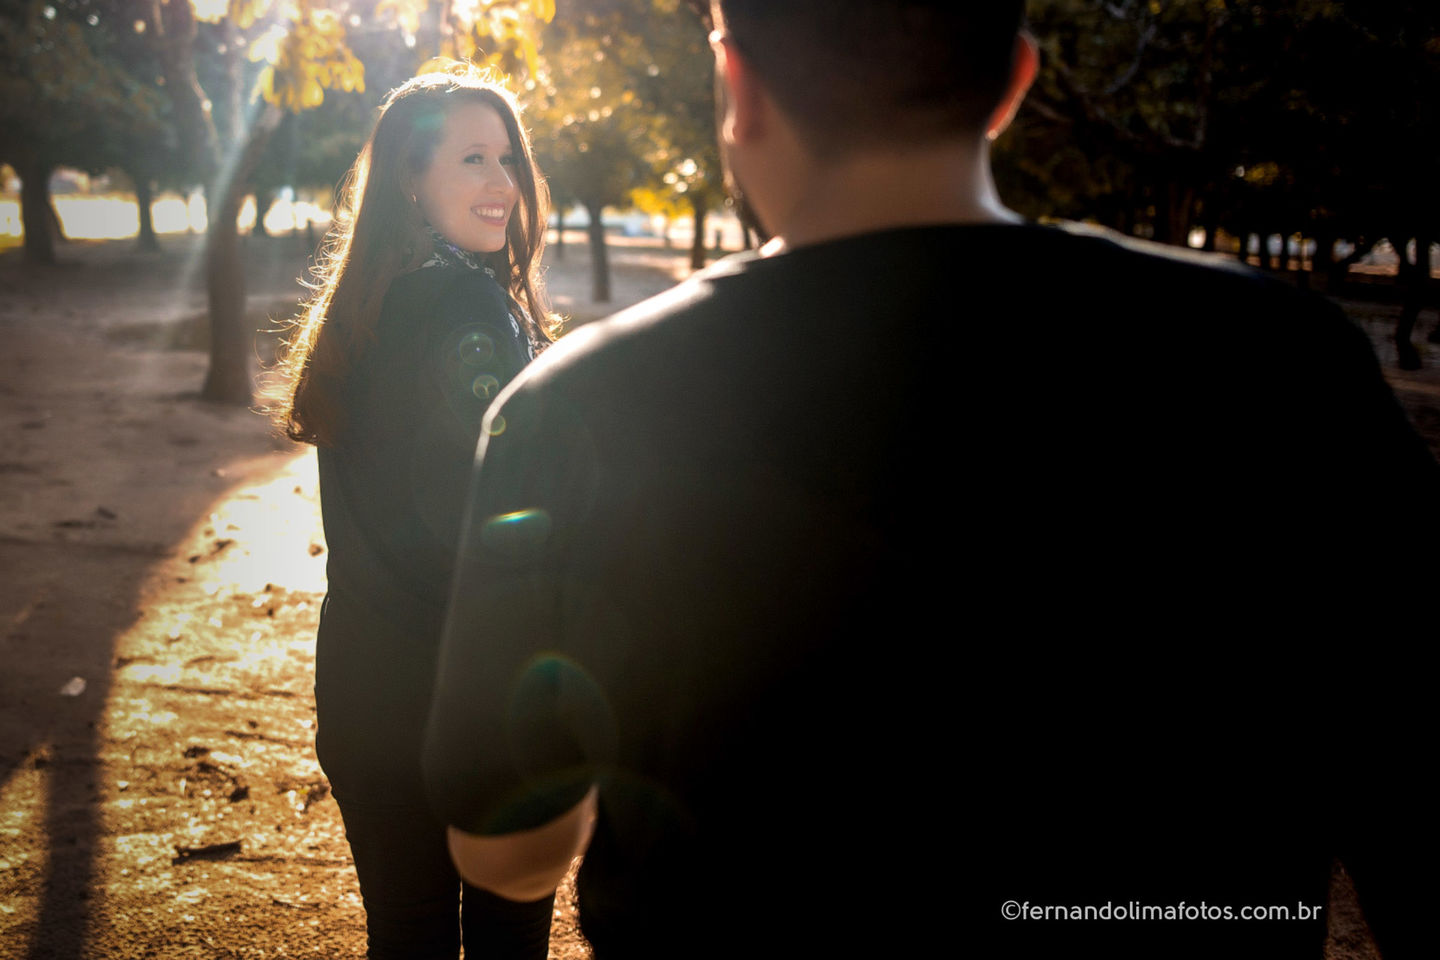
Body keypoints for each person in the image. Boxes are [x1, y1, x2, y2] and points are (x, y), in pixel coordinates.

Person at [422, 3, 1439, 958]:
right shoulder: (1286, 366)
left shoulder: (575, 407)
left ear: (737, 84)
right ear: (1014, 79)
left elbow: (505, 852)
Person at [272, 66, 556, 960]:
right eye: (473, 158)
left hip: (364, 694)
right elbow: (494, 530)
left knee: (407, 938)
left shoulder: (359, 309)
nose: (502, 184)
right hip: (474, 700)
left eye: (507, 159)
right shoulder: (471, 307)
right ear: (409, 178)